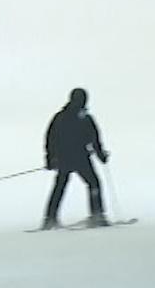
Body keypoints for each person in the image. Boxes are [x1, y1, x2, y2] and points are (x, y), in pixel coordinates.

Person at [40, 88, 108, 229]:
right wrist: (101, 155)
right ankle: (97, 215)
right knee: (94, 183)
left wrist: (50, 158)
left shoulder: (60, 117)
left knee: (60, 186)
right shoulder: (85, 118)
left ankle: (50, 218)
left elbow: (50, 139)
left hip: (64, 158)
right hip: (80, 158)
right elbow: (94, 139)